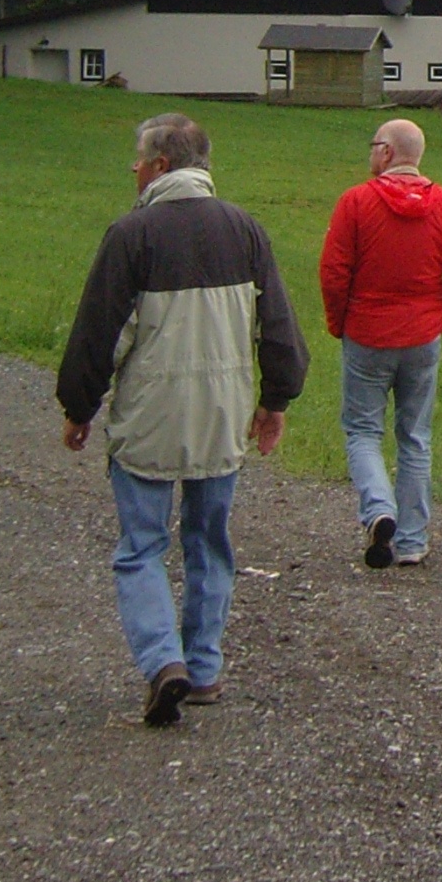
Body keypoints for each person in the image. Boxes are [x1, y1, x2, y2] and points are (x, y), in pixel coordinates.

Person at [58, 111, 307, 728]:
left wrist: (79, 407)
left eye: (138, 160)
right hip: (221, 417)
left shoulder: (131, 235)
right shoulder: (246, 231)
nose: (133, 169)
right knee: (209, 544)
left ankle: (161, 659)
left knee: (141, 547)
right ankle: (203, 666)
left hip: (149, 417)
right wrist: (275, 401)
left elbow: (100, 333)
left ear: (160, 166)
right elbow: (277, 327)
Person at [319, 115, 442, 570]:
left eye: (374, 145)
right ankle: (411, 540)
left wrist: (339, 322)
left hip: (367, 332)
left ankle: (378, 509)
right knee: (415, 437)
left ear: (387, 153)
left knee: (363, 431)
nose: (371, 153)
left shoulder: (355, 203)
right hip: (422, 335)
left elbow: (333, 274)